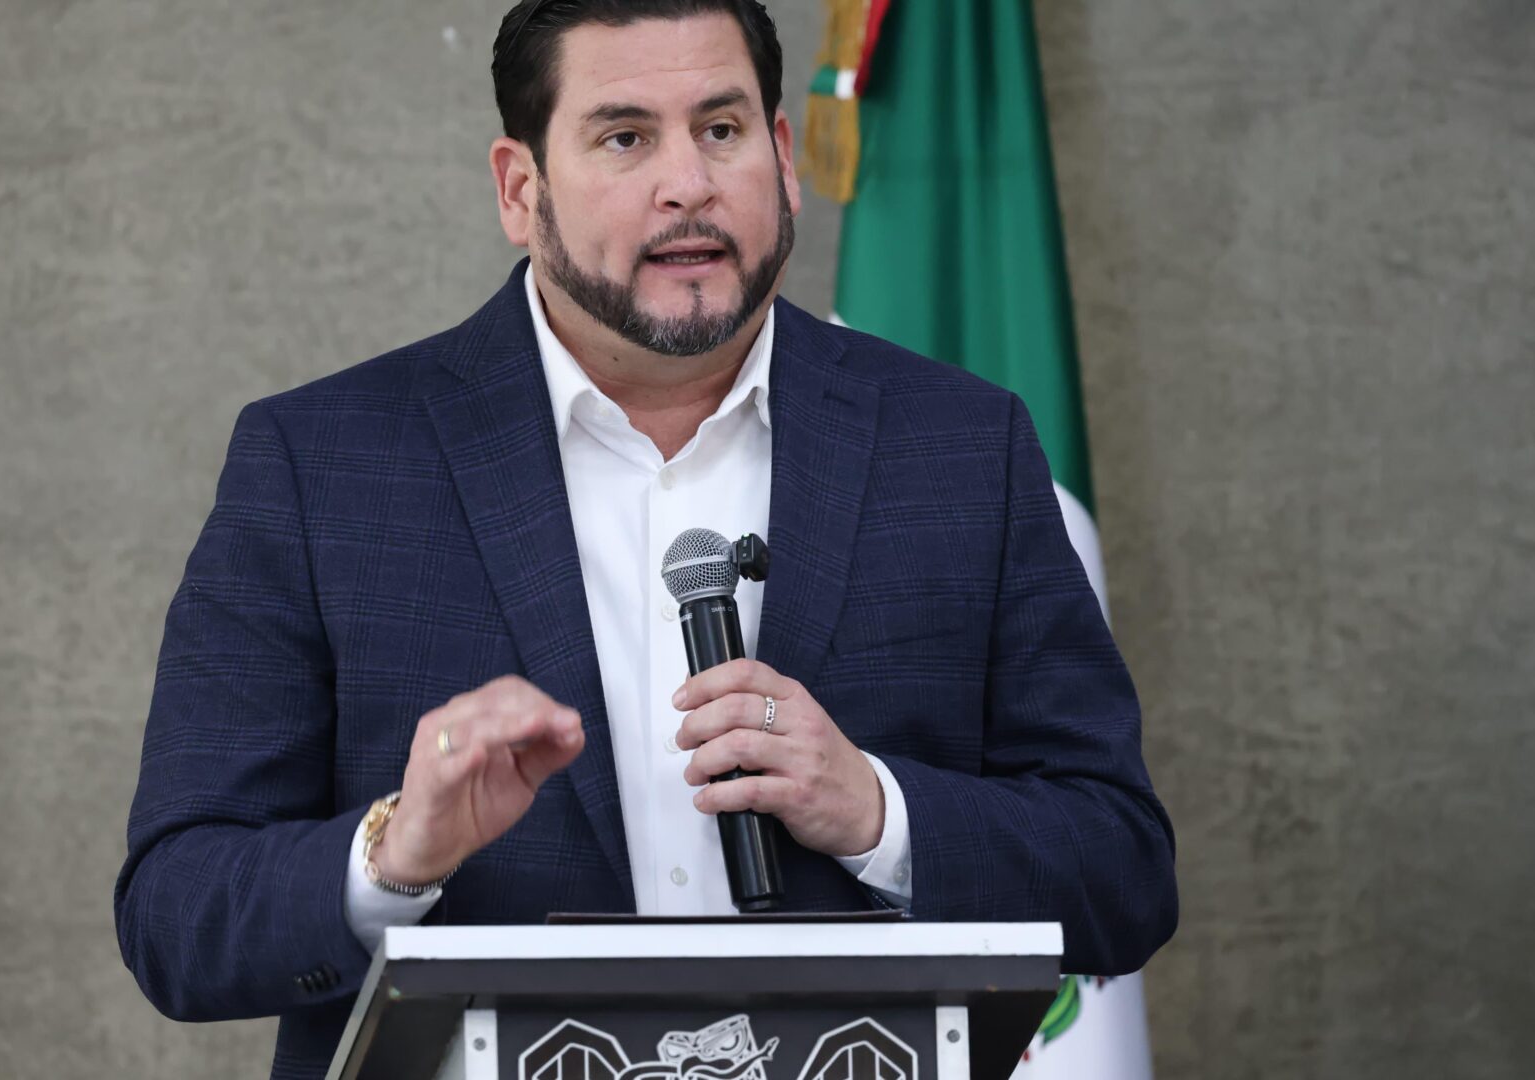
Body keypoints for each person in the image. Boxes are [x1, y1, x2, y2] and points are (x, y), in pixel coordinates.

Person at [113, 2, 1178, 1076]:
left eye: (721, 129)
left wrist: (876, 811)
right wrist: (392, 858)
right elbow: (174, 914)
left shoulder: (959, 446)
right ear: (520, 189)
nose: (688, 184)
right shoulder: (323, 465)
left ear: (783, 158)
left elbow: (1123, 873)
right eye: (625, 137)